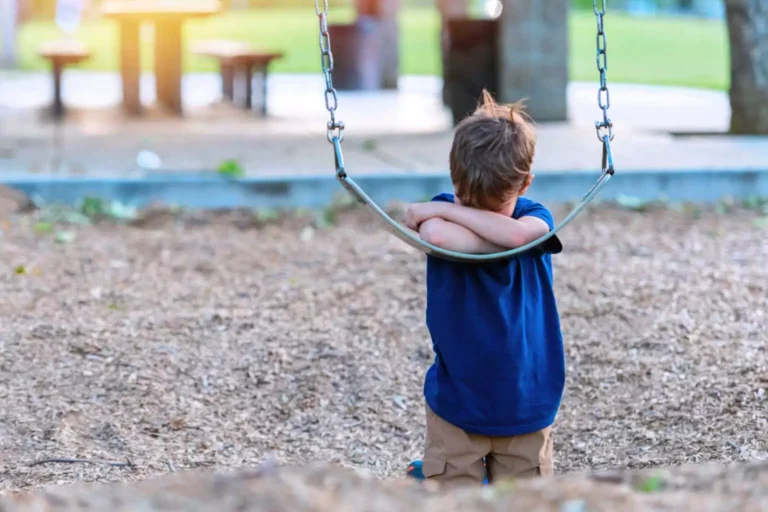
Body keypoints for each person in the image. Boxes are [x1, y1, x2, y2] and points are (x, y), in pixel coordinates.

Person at [404, 91, 564, 486]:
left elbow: (516, 236)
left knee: (525, 499)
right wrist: (481, 223)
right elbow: (441, 237)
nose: (473, 212)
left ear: (525, 184)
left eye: (489, 208)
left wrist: (453, 210)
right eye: (464, 201)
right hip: (458, 401)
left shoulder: (534, 220)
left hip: (527, 400)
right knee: (454, 498)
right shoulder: (448, 221)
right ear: (452, 173)